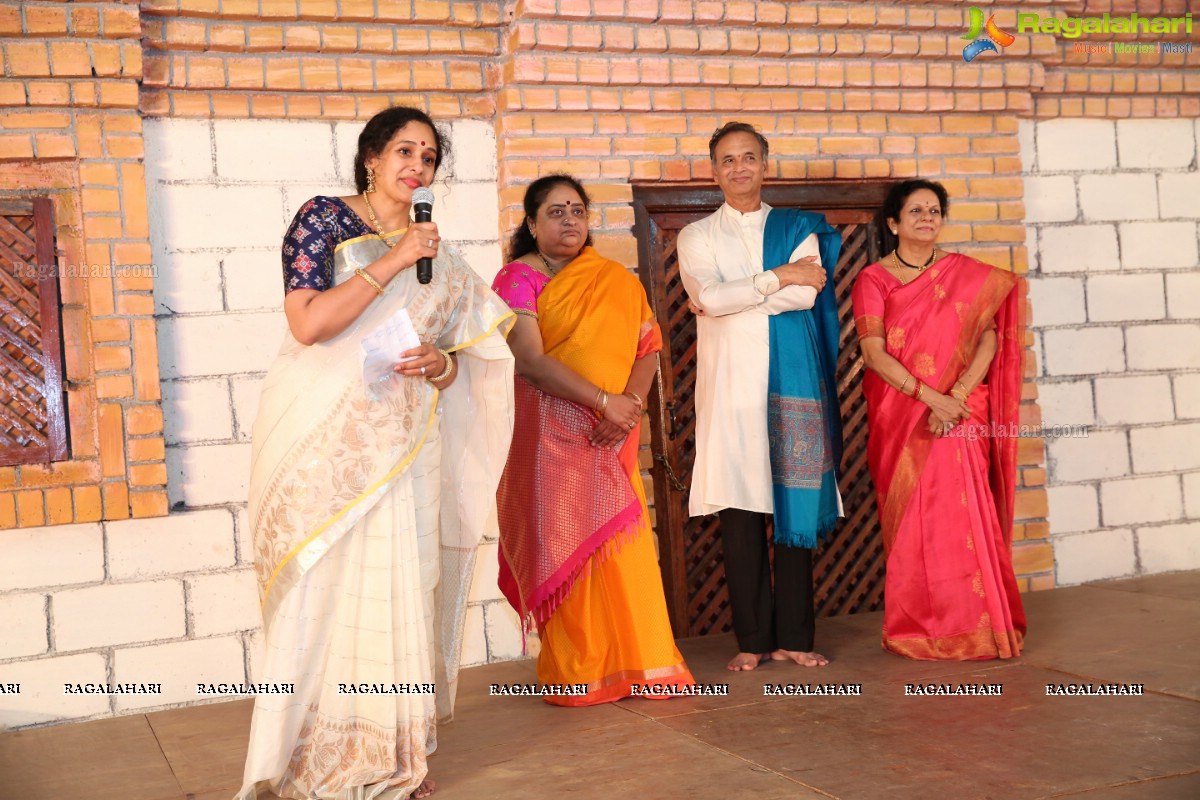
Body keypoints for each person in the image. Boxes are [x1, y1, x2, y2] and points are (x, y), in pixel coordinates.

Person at [239, 106, 515, 799]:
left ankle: (394, 751)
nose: (415, 166)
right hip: (325, 443)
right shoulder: (325, 220)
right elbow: (307, 324)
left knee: (402, 587)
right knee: (326, 591)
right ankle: (313, 751)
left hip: (405, 443)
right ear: (370, 157)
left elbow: (472, 352)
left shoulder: (439, 259)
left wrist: (442, 366)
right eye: (403, 150)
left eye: (427, 157)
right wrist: (396, 256)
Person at [492, 174, 695, 705]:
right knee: (564, 539)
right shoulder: (516, 279)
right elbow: (532, 363)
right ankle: (580, 670)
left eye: (577, 211)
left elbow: (647, 347)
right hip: (548, 435)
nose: (568, 221)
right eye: (555, 212)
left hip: (609, 436)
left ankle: (641, 662)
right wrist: (605, 403)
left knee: (619, 545)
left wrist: (624, 412)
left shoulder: (614, 280)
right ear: (532, 224)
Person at [677, 122, 843, 672]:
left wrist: (742, 293)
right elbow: (708, 298)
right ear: (715, 170)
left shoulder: (798, 227)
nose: (740, 168)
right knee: (741, 512)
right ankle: (751, 641)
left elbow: (806, 291)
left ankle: (795, 636)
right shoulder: (696, 236)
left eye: (749, 157)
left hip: (789, 384)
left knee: (791, 503)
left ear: (766, 163)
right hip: (729, 390)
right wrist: (775, 277)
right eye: (728, 160)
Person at [851, 178, 1027, 660]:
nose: (927, 218)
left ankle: (980, 627)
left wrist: (959, 396)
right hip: (904, 416)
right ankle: (921, 629)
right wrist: (932, 398)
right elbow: (873, 354)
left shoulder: (964, 275)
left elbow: (987, 338)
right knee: (918, 526)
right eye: (916, 211)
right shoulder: (874, 279)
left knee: (965, 515)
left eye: (935, 210)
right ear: (893, 222)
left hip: (961, 412)